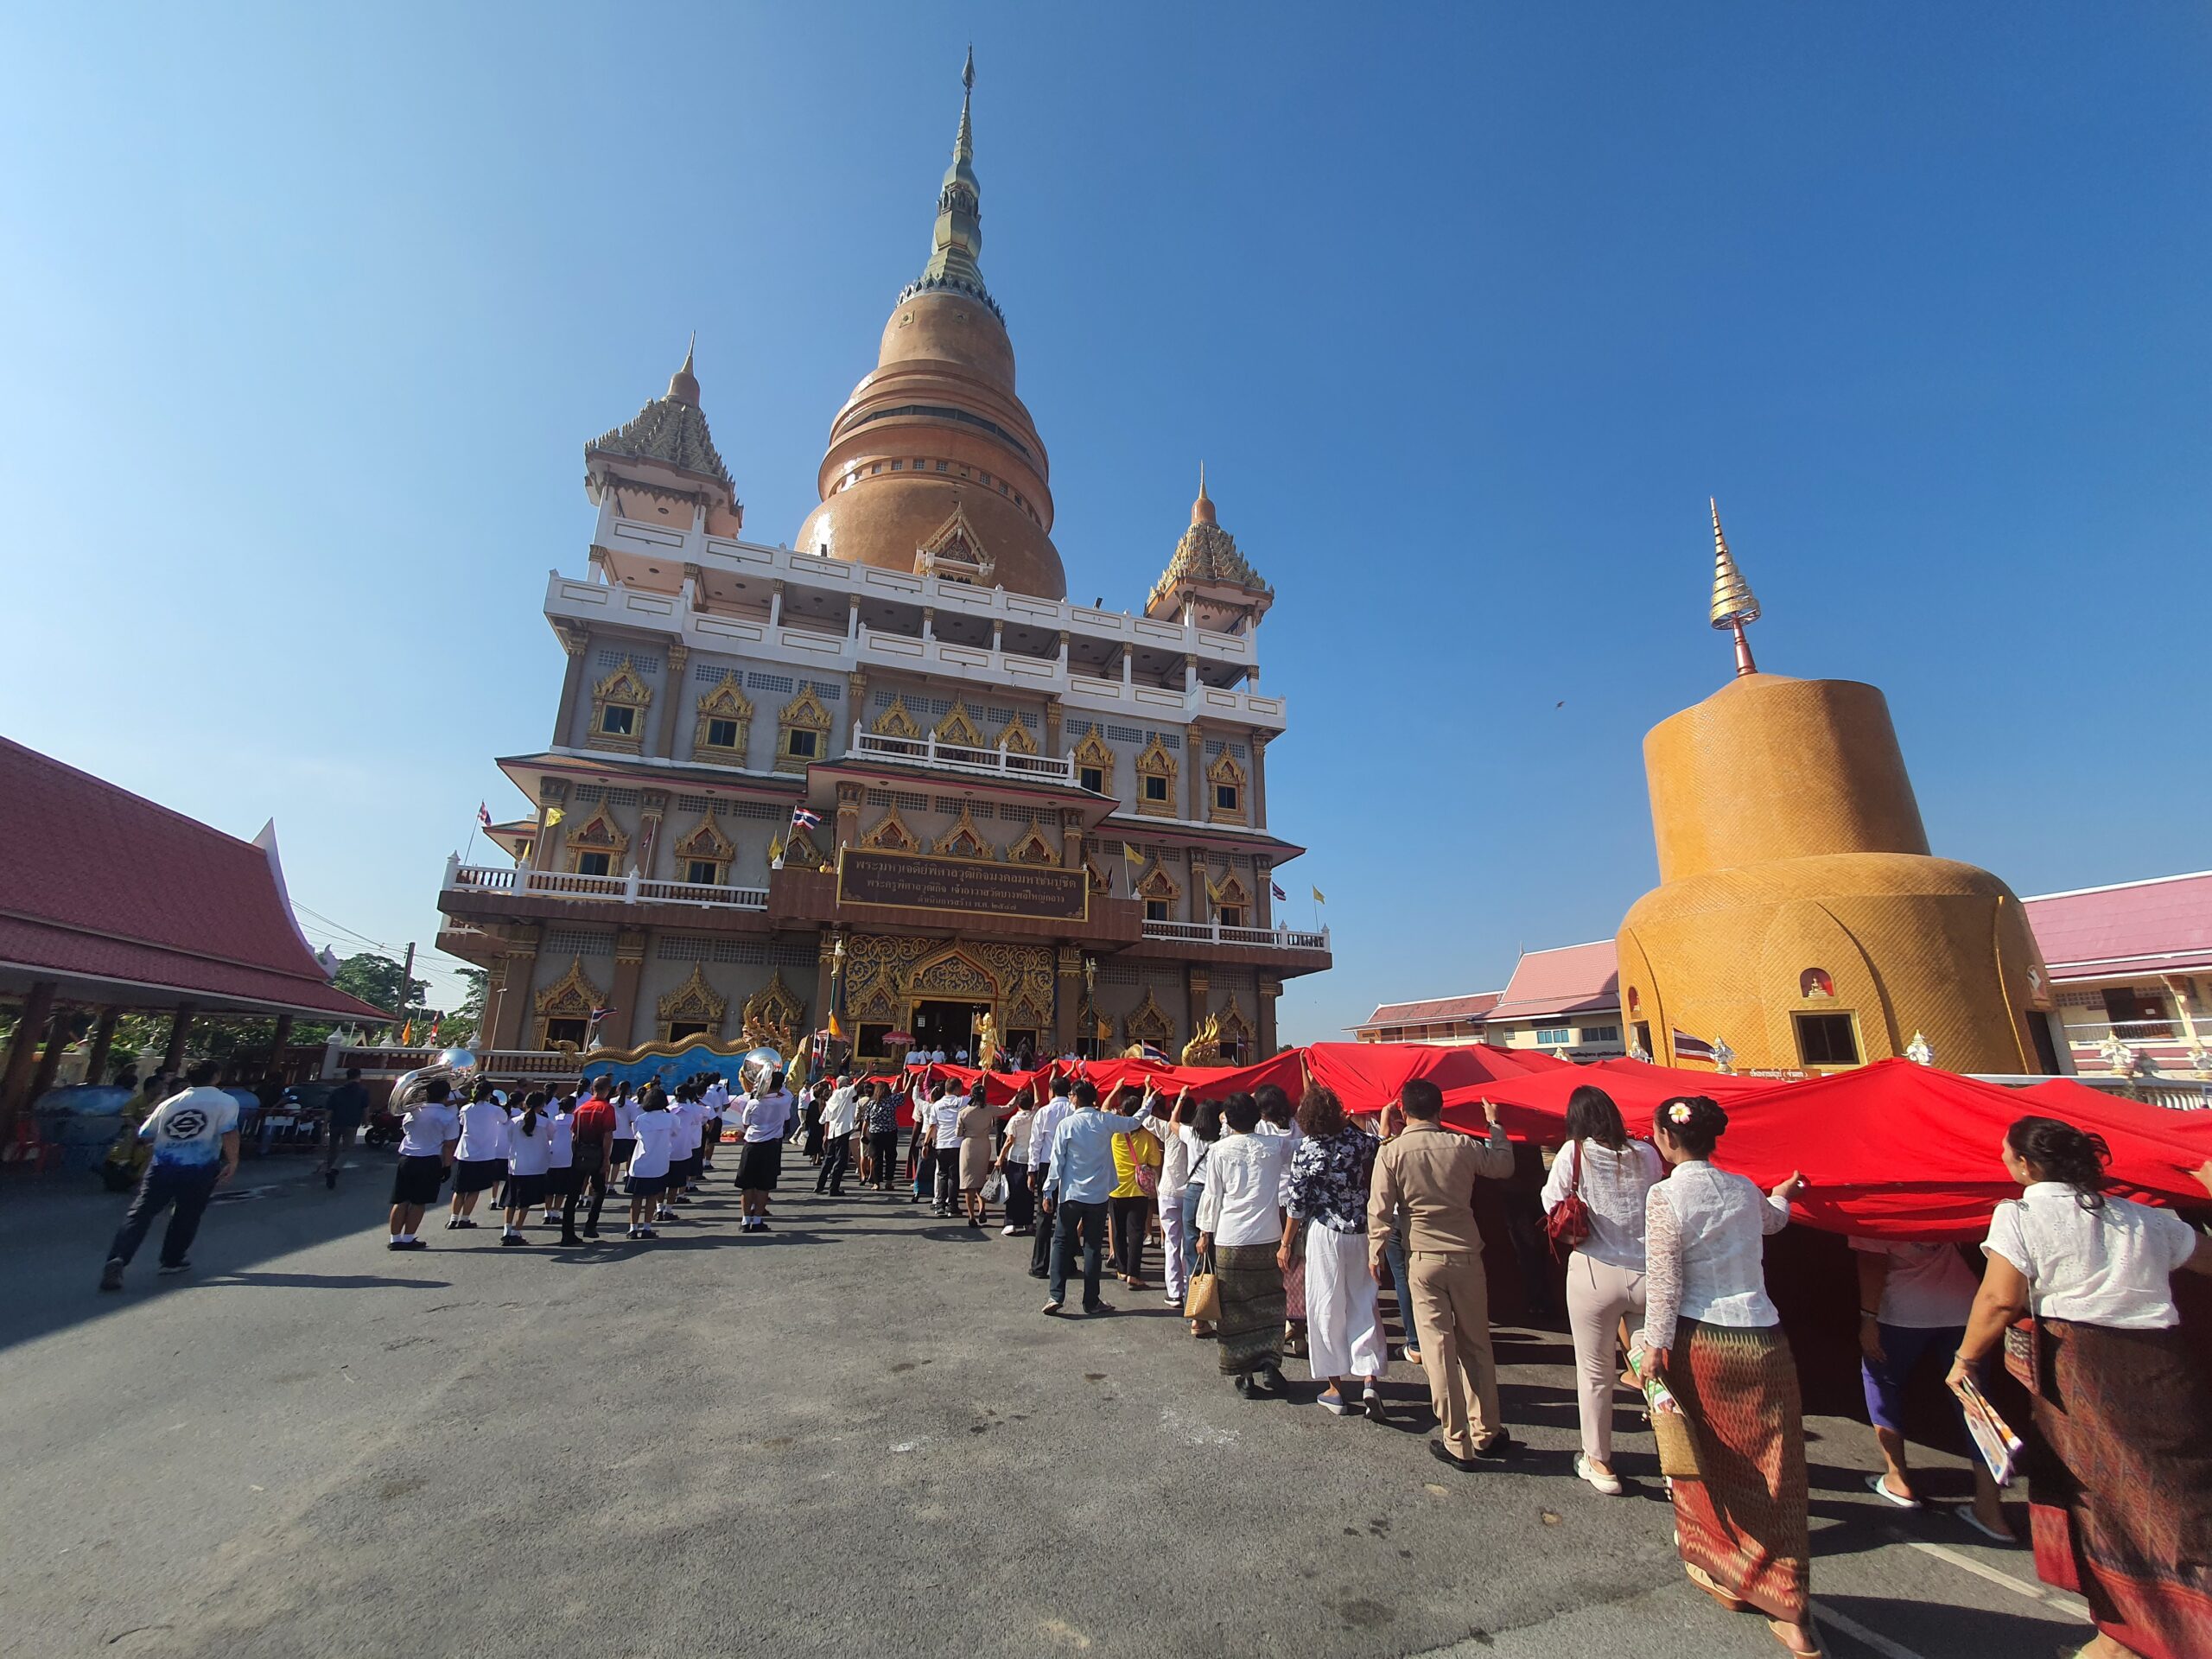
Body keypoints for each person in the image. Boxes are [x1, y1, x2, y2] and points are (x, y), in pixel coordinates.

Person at [1947, 1117, 2212, 1659]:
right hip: (2161, 1367)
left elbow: (2000, 1298)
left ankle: (2148, 1630)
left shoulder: (2019, 1214)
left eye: (2006, 1155)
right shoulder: (2145, 1219)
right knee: (2176, 1494)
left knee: (2103, 1497)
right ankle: (2126, 1631)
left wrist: (1966, 1358)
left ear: (2025, 1164)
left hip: (2084, 1370)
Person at [1637, 1096, 1813, 1659]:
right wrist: (1784, 1191)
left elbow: (1663, 1282)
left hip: (1701, 1339)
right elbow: (1776, 1220)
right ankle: (1790, 1608)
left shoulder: (1665, 1196)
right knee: (1777, 1468)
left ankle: (1726, 1566)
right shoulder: (1740, 1189)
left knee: (1705, 1460)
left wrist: (1652, 1348)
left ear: (1666, 1138)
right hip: (1765, 1338)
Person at [1367, 1079, 1516, 1465]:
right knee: (1476, 1346)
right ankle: (1487, 1430)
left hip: (1422, 1257)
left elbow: (1380, 1206)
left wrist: (1376, 1249)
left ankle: (1456, 1438)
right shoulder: (1462, 1145)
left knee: (1437, 1349)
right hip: (1466, 1253)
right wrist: (1495, 1126)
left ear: (1403, 1113)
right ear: (1441, 1111)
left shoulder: (1393, 1152)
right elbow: (1502, 1166)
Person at [1541, 1084, 1664, 1497]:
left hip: (1595, 1271)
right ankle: (1677, 1459)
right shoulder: (1646, 1154)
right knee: (1658, 1374)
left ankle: (1599, 1460)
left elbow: (1550, 1202)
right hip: (1646, 1273)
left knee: (1594, 1373)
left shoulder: (1574, 1153)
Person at [1852, 1232, 2012, 1539]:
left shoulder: (1874, 1202)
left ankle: (1898, 1478)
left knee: (1882, 1381)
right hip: (1964, 1305)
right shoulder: (1939, 1195)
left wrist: (1868, 1319)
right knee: (1973, 1399)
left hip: (1903, 1308)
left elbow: (1871, 1261)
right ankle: (1991, 1508)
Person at [1282, 1084, 1385, 1417]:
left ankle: (1335, 1388)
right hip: (1360, 1230)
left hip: (1325, 1232)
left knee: (1325, 1305)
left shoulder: (1306, 1150)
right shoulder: (1361, 1143)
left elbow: (1296, 1205)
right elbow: (1382, 1147)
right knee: (1364, 1303)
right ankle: (1369, 1379)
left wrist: (1285, 1244)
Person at [99, 1061, 240, 1289]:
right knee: (187, 1213)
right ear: (216, 1077)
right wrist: (233, 1161)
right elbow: (229, 1132)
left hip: (162, 1165)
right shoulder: (225, 1101)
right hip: (200, 1166)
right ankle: (172, 1259)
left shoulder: (171, 1102)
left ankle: (119, 1257)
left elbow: (145, 1133)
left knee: (141, 1212)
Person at [1196, 1091, 1298, 1395]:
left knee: (1234, 1308)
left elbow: (1213, 1195)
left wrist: (1204, 1234)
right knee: (1270, 1303)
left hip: (1231, 1238)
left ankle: (1244, 1373)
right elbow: (1301, 1145)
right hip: (1268, 1237)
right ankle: (1268, 1364)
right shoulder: (1274, 1146)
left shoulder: (1219, 1150)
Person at [1042, 1081, 1128, 1315]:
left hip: (1071, 1194)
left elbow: (1057, 1160)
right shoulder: (1104, 1121)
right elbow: (1134, 1121)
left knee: (1060, 1242)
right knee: (1092, 1248)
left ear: (1076, 1097)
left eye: (1071, 1094)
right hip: (1098, 1196)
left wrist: (1048, 1190)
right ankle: (1091, 1300)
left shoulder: (1067, 1124)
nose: (1069, 1097)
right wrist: (1149, 1100)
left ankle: (1055, 1294)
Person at [1255, 1084, 1306, 1357]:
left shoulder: (1262, 1131)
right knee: (1296, 1265)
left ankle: (1283, 1322)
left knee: (1276, 1266)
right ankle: (1298, 1328)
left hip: (1273, 1203)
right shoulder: (1299, 1126)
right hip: (1298, 1205)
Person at [383, 1078, 459, 1251]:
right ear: (447, 1096)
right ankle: (409, 1238)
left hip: (407, 1158)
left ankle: (395, 1239)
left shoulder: (413, 1111)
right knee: (419, 1202)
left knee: (401, 1200)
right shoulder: (448, 1117)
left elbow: (406, 1130)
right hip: (429, 1159)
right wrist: (447, 1166)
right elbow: (449, 1145)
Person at [1375, 1101, 1423, 1368]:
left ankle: (1416, 1343)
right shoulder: (1443, 1142)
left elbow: (1379, 1154)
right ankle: (1431, 1339)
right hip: (1423, 1219)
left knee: (1404, 1278)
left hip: (1395, 1217)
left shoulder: (1391, 1149)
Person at [1141, 1088, 1197, 1308]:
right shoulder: (1200, 1133)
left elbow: (1144, 1118)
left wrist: (1148, 1093)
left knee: (1173, 1243)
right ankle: (1187, 1288)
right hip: (1191, 1194)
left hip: (1169, 1192)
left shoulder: (1169, 1130)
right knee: (1187, 1243)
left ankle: (1175, 1292)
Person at [1108, 1090, 1162, 1288]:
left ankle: (1122, 1270)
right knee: (1136, 1232)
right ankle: (1133, 1273)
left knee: (1118, 1231)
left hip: (1115, 1189)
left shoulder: (1114, 1135)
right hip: (1138, 1191)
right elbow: (1155, 1161)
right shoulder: (1148, 1137)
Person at [1181, 1098, 1225, 1333]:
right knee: (1213, 1253)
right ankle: (1210, 1309)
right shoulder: (1221, 1140)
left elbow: (1171, 1124)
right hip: (1214, 1194)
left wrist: (1180, 1099)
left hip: (1192, 1193)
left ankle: (1195, 1312)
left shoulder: (1190, 1134)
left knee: (1192, 1255)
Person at [734, 1071, 795, 1232]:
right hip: (772, 1146)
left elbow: (745, 1123)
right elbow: (788, 1093)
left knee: (747, 1185)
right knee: (763, 1186)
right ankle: (758, 1220)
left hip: (752, 1145)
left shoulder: (754, 1103)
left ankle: (745, 1221)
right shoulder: (783, 1102)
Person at [1027, 1077, 1075, 1280]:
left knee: (1044, 1216)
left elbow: (1035, 1144)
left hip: (1047, 1166)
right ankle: (1067, 1263)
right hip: (1070, 1166)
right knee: (1068, 1216)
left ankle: (1040, 1264)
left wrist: (1032, 1170)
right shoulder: (1074, 1111)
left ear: (1051, 1091)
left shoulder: (1044, 1112)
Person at [448, 1082, 510, 1230]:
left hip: (466, 1152)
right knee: (474, 1189)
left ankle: (453, 1218)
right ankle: (465, 1218)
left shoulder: (466, 1108)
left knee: (460, 1188)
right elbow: (505, 1119)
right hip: (484, 1153)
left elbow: (462, 1122)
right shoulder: (494, 1109)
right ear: (489, 1094)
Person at [563, 1080, 615, 1245]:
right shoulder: (606, 1108)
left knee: (573, 1193)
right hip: (597, 1152)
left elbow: (573, 1135)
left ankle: (567, 1232)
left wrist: (575, 1154)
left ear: (592, 1089)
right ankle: (591, 1224)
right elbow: (608, 1135)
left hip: (580, 1152)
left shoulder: (581, 1108)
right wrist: (606, 1159)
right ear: (607, 1090)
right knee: (599, 1189)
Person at [500, 1091, 556, 1246]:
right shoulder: (545, 1122)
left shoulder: (514, 1121)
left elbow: (509, 1139)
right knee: (524, 1203)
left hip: (516, 1165)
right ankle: (517, 1231)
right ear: (542, 1105)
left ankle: (507, 1230)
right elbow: (552, 1137)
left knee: (510, 1200)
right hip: (535, 1166)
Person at [623, 1087, 676, 1240]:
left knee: (637, 1197)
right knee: (652, 1196)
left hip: (640, 1161)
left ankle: (633, 1228)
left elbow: (636, 1134)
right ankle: (647, 1228)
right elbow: (675, 1132)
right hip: (659, 1162)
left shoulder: (641, 1118)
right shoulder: (670, 1118)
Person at [997, 1085, 1039, 1236]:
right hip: (1031, 1159)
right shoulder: (1035, 1115)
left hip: (1016, 1159)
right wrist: (1034, 1084)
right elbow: (1038, 1101)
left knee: (1013, 1192)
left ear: (1018, 1105)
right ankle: (1028, 1222)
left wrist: (1001, 1157)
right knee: (1029, 1192)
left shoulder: (1015, 1119)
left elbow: (1009, 1140)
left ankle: (1011, 1223)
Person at [319, 1066, 369, 1189]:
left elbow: (329, 1109)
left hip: (335, 1122)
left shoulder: (337, 1091)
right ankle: (334, 1170)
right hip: (351, 1123)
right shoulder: (362, 1091)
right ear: (359, 1077)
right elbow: (365, 1108)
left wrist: (325, 1124)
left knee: (332, 1148)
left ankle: (330, 1171)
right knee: (348, 1149)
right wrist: (366, 1121)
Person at [956, 1082, 998, 1229]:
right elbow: (1007, 1109)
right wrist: (1016, 1098)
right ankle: (982, 1208)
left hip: (969, 1144)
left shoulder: (964, 1112)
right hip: (984, 1144)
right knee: (981, 1180)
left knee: (969, 1184)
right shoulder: (989, 1109)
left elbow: (958, 1133)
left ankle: (971, 1215)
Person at [817, 1071, 859, 1196]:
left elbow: (825, 1120)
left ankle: (820, 1185)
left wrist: (825, 1135)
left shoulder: (831, 1099)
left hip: (831, 1133)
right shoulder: (843, 1093)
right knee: (840, 1161)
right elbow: (856, 1087)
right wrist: (867, 1074)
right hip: (842, 1131)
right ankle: (834, 1188)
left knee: (828, 1159)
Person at [540, 1091, 577, 1228]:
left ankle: (547, 1212)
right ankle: (555, 1212)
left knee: (549, 1188)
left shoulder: (553, 1119)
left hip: (552, 1155)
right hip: (567, 1156)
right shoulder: (574, 1120)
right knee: (561, 1188)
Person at [929, 1080, 963, 1219]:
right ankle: (952, 1205)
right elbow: (977, 1098)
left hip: (941, 1144)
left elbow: (932, 1126)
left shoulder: (936, 1105)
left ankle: (940, 1204)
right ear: (956, 1089)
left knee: (942, 1174)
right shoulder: (961, 1101)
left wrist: (926, 1144)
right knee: (953, 1176)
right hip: (956, 1143)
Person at [865, 1082, 902, 1192]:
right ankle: (889, 1182)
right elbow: (905, 1094)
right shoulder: (892, 1100)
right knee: (891, 1157)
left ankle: (876, 1183)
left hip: (875, 1133)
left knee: (877, 1158)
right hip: (890, 1132)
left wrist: (863, 1133)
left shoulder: (871, 1104)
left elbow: (866, 1120)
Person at [608, 1082, 639, 1185]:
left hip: (610, 1134)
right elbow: (632, 1122)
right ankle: (611, 1185)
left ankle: (604, 1184)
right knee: (616, 1163)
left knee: (607, 1161)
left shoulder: (611, 1102)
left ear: (617, 1089)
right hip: (625, 1136)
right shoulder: (631, 1104)